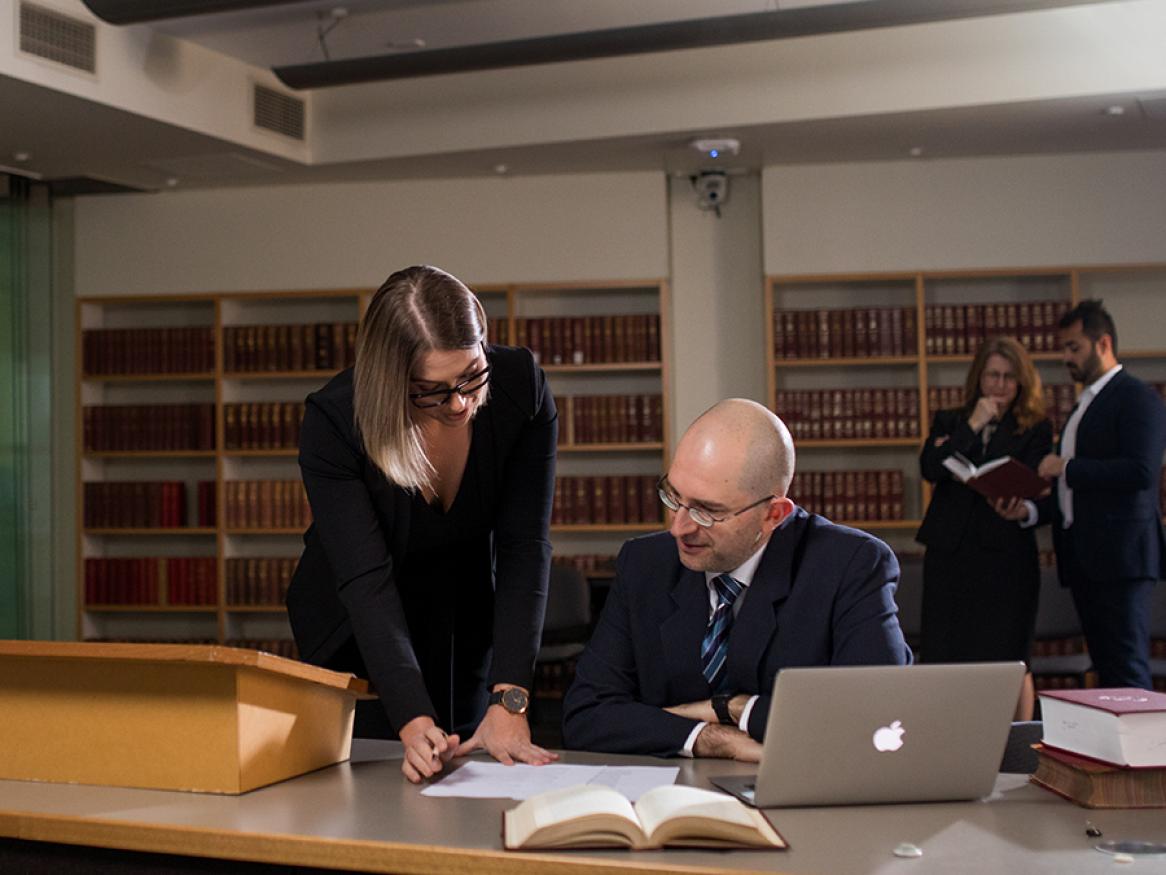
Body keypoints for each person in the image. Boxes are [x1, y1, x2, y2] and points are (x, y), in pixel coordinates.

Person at [286, 265, 559, 783]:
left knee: (472, 775)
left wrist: (511, 698)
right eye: (430, 390)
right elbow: (366, 580)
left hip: (464, 610)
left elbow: (526, 547)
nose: (459, 403)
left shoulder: (522, 390)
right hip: (359, 629)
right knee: (374, 784)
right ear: (392, 380)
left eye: (471, 376)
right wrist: (411, 717)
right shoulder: (337, 421)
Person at [561, 398, 912, 760]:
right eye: (674, 497)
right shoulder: (645, 563)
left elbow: (879, 715)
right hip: (677, 794)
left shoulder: (850, 565)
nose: (679, 528)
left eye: (707, 511)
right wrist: (709, 737)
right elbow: (586, 715)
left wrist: (734, 709)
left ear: (773, 514)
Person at [999, 300, 1166, 690]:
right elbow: (1072, 496)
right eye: (1064, 348)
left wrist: (1067, 467)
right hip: (1087, 557)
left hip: (1121, 557)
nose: (1066, 357)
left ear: (1103, 343)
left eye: (1074, 347)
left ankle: (1143, 752)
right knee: (1108, 669)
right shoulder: (1084, 405)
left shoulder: (1137, 398)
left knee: (1126, 668)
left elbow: (1141, 472)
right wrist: (1028, 511)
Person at [916, 336, 1052, 720]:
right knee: (945, 652)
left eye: (1010, 377)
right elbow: (931, 467)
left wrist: (1020, 503)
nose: (1000, 385)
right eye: (993, 375)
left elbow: (1039, 485)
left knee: (1009, 655)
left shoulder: (1035, 428)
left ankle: (1016, 742)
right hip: (952, 554)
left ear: (1022, 382)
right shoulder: (951, 420)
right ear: (979, 378)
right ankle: (943, 734)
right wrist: (972, 425)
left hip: (1006, 556)